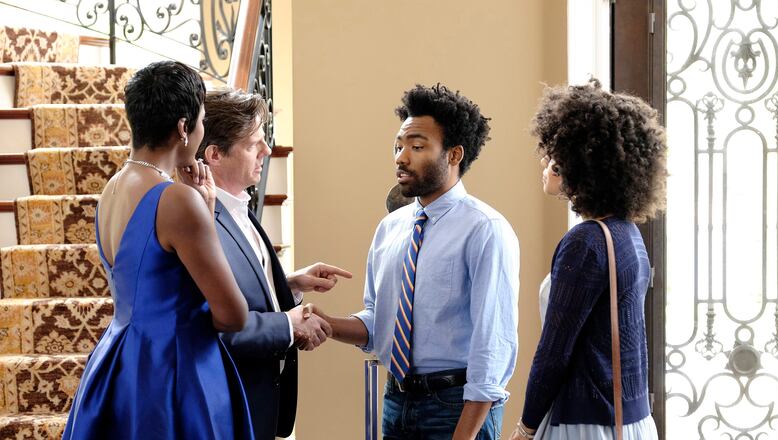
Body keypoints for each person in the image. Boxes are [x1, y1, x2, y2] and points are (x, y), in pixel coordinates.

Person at [313, 84, 520, 439]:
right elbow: (380, 322)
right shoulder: (390, 229)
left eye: (417, 146)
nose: (400, 157)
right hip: (396, 401)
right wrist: (325, 323)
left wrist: (466, 434)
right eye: (398, 146)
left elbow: (494, 344)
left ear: (454, 155)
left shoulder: (485, 230)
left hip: (456, 406)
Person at [63, 61, 254, 439]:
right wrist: (204, 213)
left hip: (119, 362)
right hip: (174, 373)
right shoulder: (177, 200)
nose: (201, 132)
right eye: (200, 121)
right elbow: (233, 315)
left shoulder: (112, 189)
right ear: (184, 128)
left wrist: (205, 210)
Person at [509, 80, 665, 440]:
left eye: (556, 154)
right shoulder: (626, 234)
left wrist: (525, 428)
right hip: (632, 419)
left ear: (579, 163)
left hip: (587, 423)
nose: (548, 163)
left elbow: (553, 353)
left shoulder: (586, 242)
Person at [196, 88, 352, 440]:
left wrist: (291, 285)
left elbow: (239, 288)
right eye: (254, 144)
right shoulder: (201, 220)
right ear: (215, 155)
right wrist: (289, 323)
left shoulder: (239, 208)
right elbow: (216, 326)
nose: (267, 150)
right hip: (228, 406)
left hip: (261, 403)